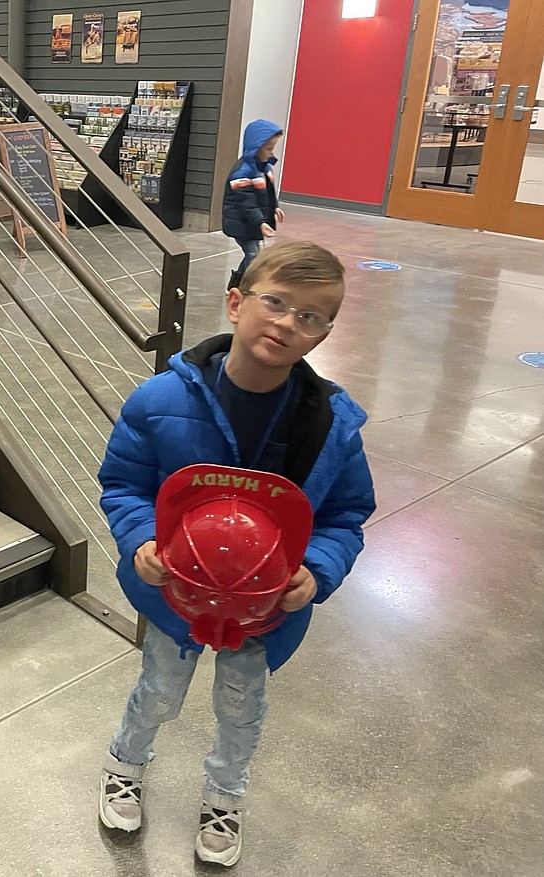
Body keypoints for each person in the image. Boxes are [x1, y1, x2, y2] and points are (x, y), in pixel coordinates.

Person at [95, 241, 376, 866]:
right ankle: (125, 762)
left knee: (242, 708)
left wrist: (319, 569)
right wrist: (141, 538)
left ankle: (225, 795)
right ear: (234, 303)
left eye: (309, 316)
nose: (286, 323)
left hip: (265, 605)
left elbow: (346, 514)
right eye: (274, 302)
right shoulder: (160, 400)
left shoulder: (329, 423)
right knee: (160, 689)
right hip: (176, 596)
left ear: (324, 333)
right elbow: (124, 483)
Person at [222, 119, 286, 292]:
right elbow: (246, 203)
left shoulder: (264, 168)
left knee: (254, 254)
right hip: (242, 222)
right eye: (268, 149)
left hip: (252, 223)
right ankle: (239, 285)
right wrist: (261, 222)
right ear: (255, 147)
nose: (271, 153)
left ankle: (239, 283)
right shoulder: (242, 172)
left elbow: (268, 193)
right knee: (253, 254)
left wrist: (275, 207)